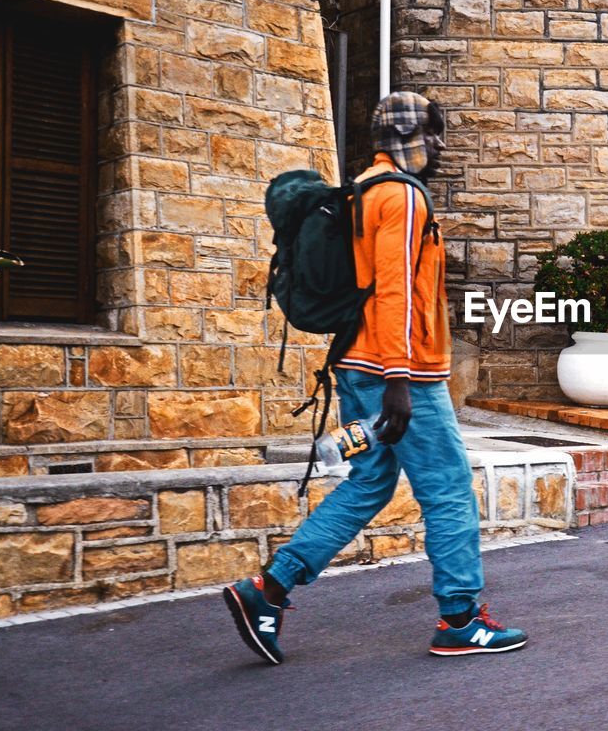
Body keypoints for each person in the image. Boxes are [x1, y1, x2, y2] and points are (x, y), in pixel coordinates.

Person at [223, 92, 527, 664]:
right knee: (448, 487)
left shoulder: (365, 189)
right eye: (434, 135)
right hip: (398, 370)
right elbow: (393, 292)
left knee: (368, 483)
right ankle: (460, 619)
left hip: (357, 362)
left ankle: (267, 591)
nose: (439, 146)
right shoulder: (403, 197)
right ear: (414, 137)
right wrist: (399, 380)